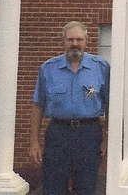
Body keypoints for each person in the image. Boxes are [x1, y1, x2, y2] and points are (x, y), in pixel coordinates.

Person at [30, 21, 110, 195]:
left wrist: (107, 138)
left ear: (86, 41)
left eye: (79, 39)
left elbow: (110, 104)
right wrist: (34, 141)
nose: (75, 44)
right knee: (53, 187)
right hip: (58, 134)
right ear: (63, 41)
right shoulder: (48, 69)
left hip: (89, 134)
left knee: (86, 187)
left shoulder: (101, 67)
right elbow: (38, 105)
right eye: (70, 39)